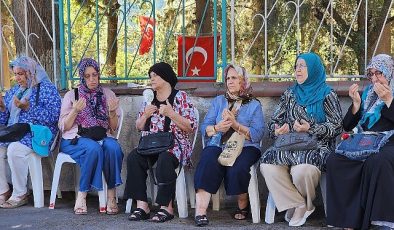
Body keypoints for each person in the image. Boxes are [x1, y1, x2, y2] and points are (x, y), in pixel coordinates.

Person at [260, 52, 343, 227]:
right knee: (267, 165)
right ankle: (299, 204)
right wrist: (277, 129)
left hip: (317, 146)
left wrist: (311, 128)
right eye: (296, 65)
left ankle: (302, 204)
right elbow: (274, 121)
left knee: (301, 170)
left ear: (313, 69)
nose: (298, 69)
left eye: (302, 66)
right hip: (290, 145)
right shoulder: (290, 94)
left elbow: (336, 127)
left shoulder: (328, 94)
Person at [326, 54, 394, 230]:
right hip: (366, 141)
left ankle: (381, 220)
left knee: (377, 161)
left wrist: (388, 100)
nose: (374, 78)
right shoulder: (369, 95)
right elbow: (348, 125)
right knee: (335, 159)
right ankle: (348, 220)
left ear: (390, 71)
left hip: (390, 143)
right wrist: (356, 104)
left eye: (378, 73)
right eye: (370, 74)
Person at [124, 62, 197, 223]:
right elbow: (138, 126)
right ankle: (142, 205)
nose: (152, 79)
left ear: (166, 76)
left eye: (155, 75)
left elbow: (190, 127)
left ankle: (167, 207)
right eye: (150, 76)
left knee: (165, 158)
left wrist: (171, 114)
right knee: (134, 158)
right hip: (150, 143)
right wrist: (145, 115)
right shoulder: (149, 99)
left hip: (175, 144)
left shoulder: (180, 97)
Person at [193, 64, 264, 227]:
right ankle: (200, 212)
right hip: (218, 143)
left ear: (243, 81)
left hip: (246, 146)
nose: (230, 81)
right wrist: (218, 128)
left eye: (234, 78)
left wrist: (235, 124)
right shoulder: (219, 101)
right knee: (208, 160)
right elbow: (205, 127)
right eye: (227, 78)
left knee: (237, 167)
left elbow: (258, 134)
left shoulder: (254, 104)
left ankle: (243, 202)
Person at [58, 58, 123, 215]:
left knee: (113, 147)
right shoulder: (72, 95)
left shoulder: (107, 94)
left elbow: (113, 128)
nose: (92, 79)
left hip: (101, 135)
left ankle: (111, 196)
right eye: (87, 76)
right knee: (93, 149)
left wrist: (112, 112)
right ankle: (82, 195)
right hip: (74, 139)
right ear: (82, 77)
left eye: (95, 75)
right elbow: (64, 127)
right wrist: (75, 111)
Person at [0, 56, 61, 208]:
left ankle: (20, 193)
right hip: (16, 131)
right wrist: (2, 108)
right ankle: (4, 190)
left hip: (38, 133)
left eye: (21, 74)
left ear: (31, 72)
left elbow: (54, 116)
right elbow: (5, 122)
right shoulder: (15, 91)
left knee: (14, 149)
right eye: (16, 74)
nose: (17, 78)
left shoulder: (46, 88)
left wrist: (28, 108)